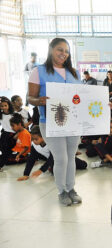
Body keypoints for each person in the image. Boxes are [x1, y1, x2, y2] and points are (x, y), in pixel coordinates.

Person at [27, 38, 83, 206]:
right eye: (60, 49)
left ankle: (71, 188)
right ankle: (62, 191)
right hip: (50, 122)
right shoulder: (39, 71)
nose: (63, 54)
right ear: (51, 49)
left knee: (71, 157)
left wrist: (102, 104)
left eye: (66, 51)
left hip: (73, 121)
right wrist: (39, 101)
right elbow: (29, 97)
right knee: (61, 159)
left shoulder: (74, 72)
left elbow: (82, 96)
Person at [18, 125, 87, 181]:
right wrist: (26, 174)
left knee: (83, 165)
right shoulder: (34, 146)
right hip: (54, 161)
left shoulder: (52, 142)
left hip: (65, 156)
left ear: (43, 137)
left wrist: (41, 170)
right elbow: (31, 159)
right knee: (55, 172)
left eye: (36, 139)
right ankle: (54, 167)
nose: (34, 141)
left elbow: (52, 157)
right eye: (32, 139)